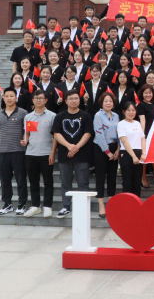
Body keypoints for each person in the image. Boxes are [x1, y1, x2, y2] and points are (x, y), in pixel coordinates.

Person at [52, 89, 94, 218]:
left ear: (79, 100)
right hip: (64, 155)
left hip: (82, 155)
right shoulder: (60, 116)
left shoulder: (86, 115)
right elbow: (56, 134)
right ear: (66, 101)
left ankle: (83, 208)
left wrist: (76, 147)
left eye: (76, 98)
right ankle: (66, 206)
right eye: (71, 98)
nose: (73, 101)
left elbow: (88, 133)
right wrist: (69, 146)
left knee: (83, 182)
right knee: (65, 182)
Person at [22, 90, 57, 218]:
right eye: (36, 98)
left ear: (46, 100)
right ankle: (35, 206)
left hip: (46, 153)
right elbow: (28, 133)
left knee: (48, 181)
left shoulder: (52, 116)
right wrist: (25, 141)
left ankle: (47, 206)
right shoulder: (28, 117)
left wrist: (52, 152)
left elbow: (55, 137)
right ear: (33, 100)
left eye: (41, 98)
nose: (38, 100)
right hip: (31, 153)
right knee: (33, 181)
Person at [0, 88, 29, 215]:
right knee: (4, 180)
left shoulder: (23, 113)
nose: (9, 98)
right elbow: (0, 130)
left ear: (16, 98)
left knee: (21, 179)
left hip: (18, 151)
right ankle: (7, 204)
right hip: (3, 152)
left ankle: (22, 204)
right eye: (7, 96)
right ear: (3, 98)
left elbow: (28, 130)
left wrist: (25, 140)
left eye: (11, 96)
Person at [93, 92, 120, 218]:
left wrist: (118, 149)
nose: (108, 103)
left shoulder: (116, 116)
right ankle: (101, 204)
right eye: (106, 101)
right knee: (100, 176)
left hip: (114, 148)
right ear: (102, 103)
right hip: (101, 148)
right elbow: (99, 134)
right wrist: (107, 152)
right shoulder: (98, 115)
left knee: (112, 176)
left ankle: (111, 203)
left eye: (110, 101)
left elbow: (120, 133)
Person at [118, 102, 147, 197]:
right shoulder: (121, 124)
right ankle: (127, 203)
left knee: (137, 181)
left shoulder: (137, 123)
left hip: (139, 153)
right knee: (127, 181)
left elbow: (142, 138)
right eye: (128, 110)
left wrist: (143, 153)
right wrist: (133, 156)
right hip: (127, 154)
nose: (131, 112)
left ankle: (137, 203)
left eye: (133, 110)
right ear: (124, 112)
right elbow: (124, 141)